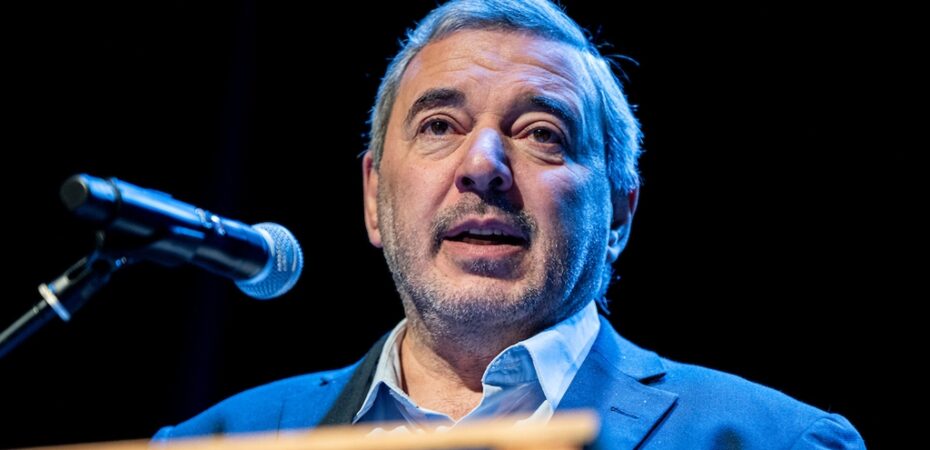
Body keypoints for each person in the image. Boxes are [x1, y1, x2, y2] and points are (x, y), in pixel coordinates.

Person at [154, 0, 865, 448]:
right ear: (373, 196)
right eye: (440, 125)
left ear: (618, 213)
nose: (483, 166)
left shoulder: (777, 440)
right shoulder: (214, 441)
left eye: (541, 134)